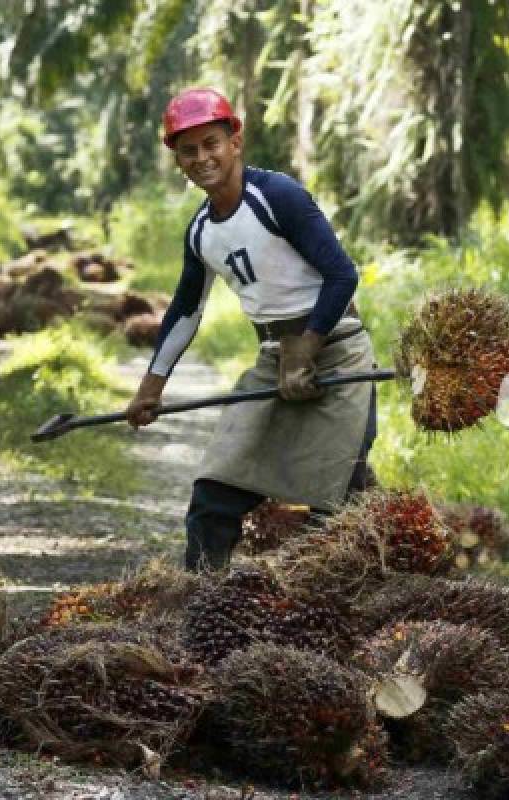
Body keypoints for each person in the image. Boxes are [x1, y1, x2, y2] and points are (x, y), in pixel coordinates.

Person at [125, 87, 377, 571]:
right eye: (189, 150)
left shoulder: (277, 196)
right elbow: (185, 311)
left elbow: (342, 275)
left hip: (338, 350)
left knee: (336, 505)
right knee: (215, 490)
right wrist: (149, 388)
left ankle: (338, 619)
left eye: (212, 143)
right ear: (177, 160)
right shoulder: (201, 230)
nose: (202, 158)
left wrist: (308, 350)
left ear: (235, 142)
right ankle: (197, 600)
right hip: (275, 359)